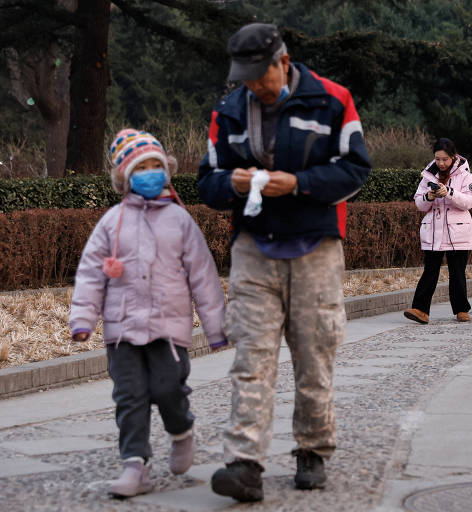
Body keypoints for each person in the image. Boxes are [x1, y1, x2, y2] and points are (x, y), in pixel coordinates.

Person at [197, 23, 371, 502]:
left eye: (261, 75)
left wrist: (297, 184)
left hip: (316, 246)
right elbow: (205, 182)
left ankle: (312, 449)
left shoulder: (332, 100)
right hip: (253, 248)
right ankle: (244, 462)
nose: (254, 85)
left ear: (283, 62)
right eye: (245, 77)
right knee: (251, 356)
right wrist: (229, 182)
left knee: (315, 354)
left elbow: (356, 170)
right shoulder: (228, 111)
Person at [69, 129, 227, 498]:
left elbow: (203, 275)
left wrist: (216, 326)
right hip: (122, 330)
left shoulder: (180, 221)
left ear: (167, 172)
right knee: (130, 397)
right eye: (143, 168)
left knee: (168, 388)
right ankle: (135, 465)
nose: (151, 173)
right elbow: (92, 273)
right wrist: (82, 319)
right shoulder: (111, 222)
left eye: (158, 166)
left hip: (168, 329)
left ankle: (181, 430)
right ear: (126, 177)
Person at [403, 138, 472, 324]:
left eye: (444, 159)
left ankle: (461, 310)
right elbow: (419, 203)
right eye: (437, 159)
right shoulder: (428, 175)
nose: (441, 163)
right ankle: (420, 310)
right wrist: (428, 196)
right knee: (430, 270)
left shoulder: (465, 175)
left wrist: (449, 193)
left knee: (457, 272)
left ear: (453, 157)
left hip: (457, 231)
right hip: (434, 231)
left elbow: (470, 201)